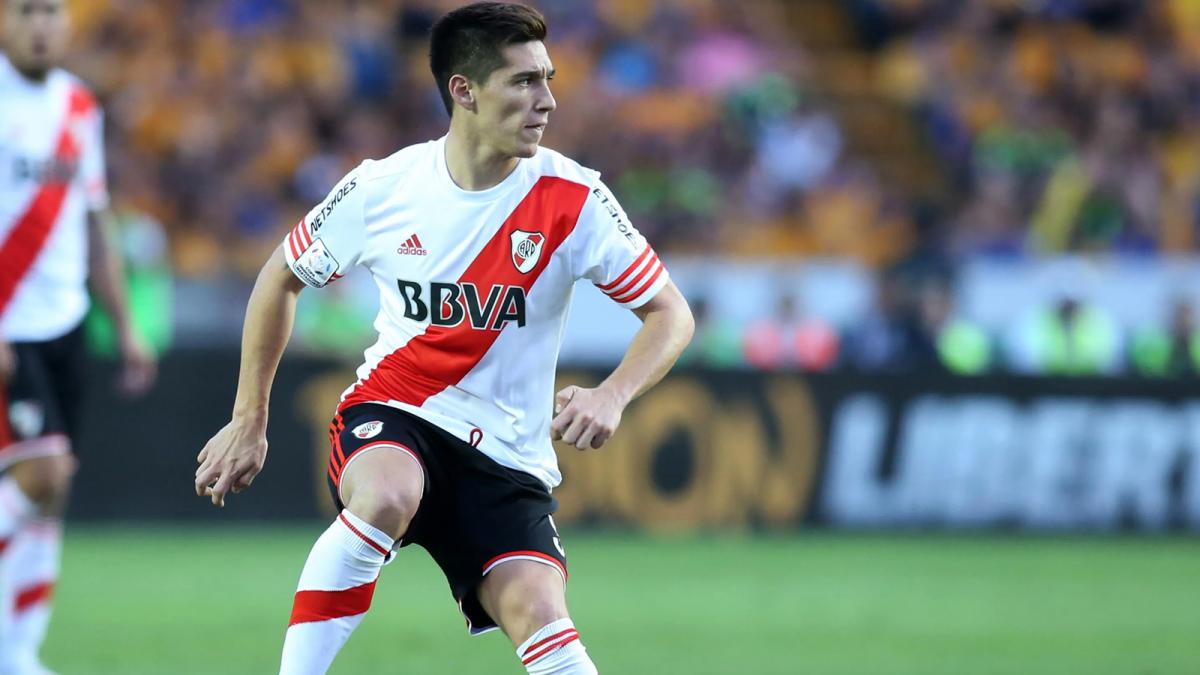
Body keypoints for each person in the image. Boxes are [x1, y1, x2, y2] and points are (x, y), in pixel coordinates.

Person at [193, 3, 694, 674]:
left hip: (510, 455)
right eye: (524, 81)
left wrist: (613, 394)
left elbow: (671, 314)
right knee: (387, 494)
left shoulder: (575, 198)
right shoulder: (383, 188)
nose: (547, 100)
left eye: (547, 79)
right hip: (399, 411)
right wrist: (248, 418)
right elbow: (279, 277)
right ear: (465, 90)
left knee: (543, 617)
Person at [0, 1, 156, 672]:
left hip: (65, 322)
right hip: (10, 324)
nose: (40, 25)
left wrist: (125, 326)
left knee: (52, 493)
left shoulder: (78, 105)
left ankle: (17, 651)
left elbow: (94, 220)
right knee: (43, 473)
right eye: (26, 11)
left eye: (51, 11)